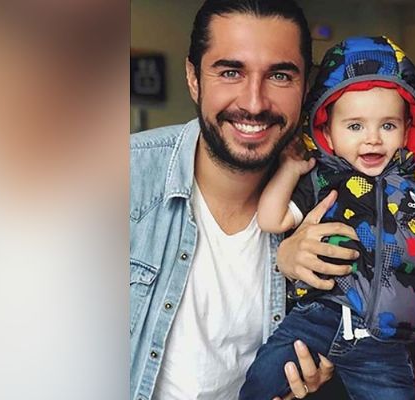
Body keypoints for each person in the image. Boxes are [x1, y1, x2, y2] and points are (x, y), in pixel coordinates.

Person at [129, 1, 342, 399]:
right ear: (194, 78)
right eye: (231, 72)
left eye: (280, 75)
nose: (254, 103)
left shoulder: (328, 201)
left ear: (305, 88)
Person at [241, 35, 415, 400]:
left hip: (386, 342)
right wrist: (290, 169)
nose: (372, 139)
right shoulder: (322, 179)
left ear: (408, 129)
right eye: (355, 126)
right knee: (261, 380)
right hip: (318, 319)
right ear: (327, 132)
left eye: (388, 126)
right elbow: (271, 219)